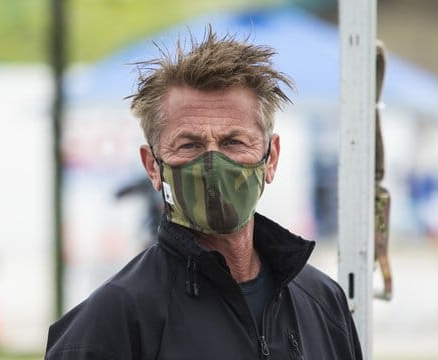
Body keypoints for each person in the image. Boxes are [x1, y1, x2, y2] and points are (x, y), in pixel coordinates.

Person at [46, 28, 362, 360]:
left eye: (233, 142)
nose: (212, 164)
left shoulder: (323, 304)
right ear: (152, 166)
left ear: (271, 158)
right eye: (190, 145)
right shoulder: (111, 324)